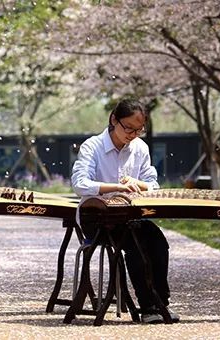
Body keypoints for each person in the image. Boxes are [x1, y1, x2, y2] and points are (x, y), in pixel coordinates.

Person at [70, 98, 179, 324]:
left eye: (138, 130)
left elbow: (153, 184)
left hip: (129, 216)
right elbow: (79, 184)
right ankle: (149, 307)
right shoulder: (93, 146)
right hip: (97, 217)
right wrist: (117, 187)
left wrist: (137, 184)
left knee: (158, 242)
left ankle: (161, 303)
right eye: (128, 128)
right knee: (136, 243)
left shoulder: (140, 148)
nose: (132, 134)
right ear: (113, 119)